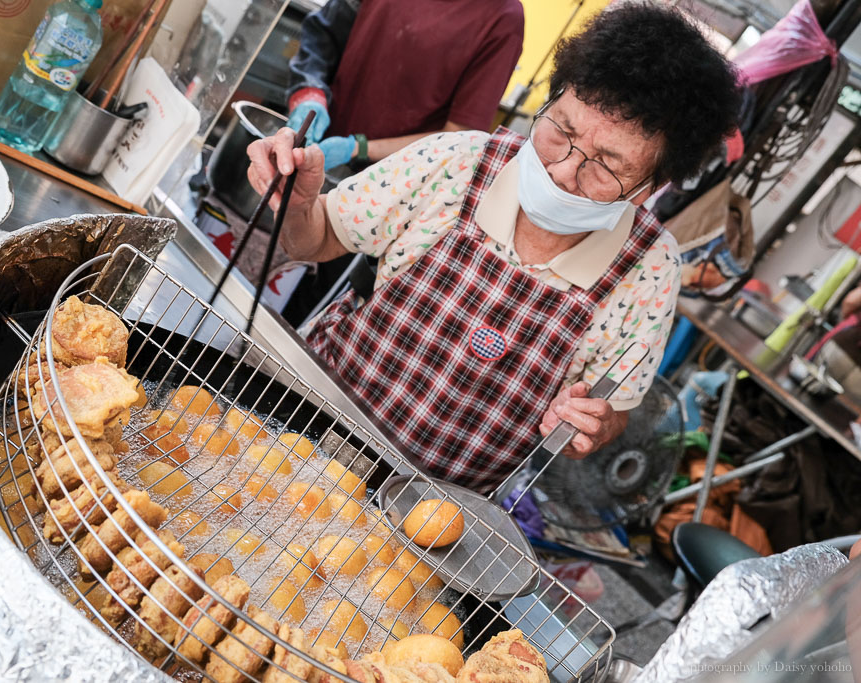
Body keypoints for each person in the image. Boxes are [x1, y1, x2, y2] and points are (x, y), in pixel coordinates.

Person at [249, 3, 741, 493]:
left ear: (655, 184)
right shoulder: (458, 161)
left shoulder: (649, 270)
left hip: (429, 518)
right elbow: (316, 240)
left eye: (607, 167)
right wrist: (296, 204)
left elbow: (614, 413)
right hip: (295, 432)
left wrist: (589, 425)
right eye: (560, 132)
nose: (564, 172)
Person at [285, 0, 525, 170]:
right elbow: (323, 35)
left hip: (383, 185)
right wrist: (308, 94)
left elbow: (459, 136)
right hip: (313, 145)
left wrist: (358, 148)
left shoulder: (503, 18)